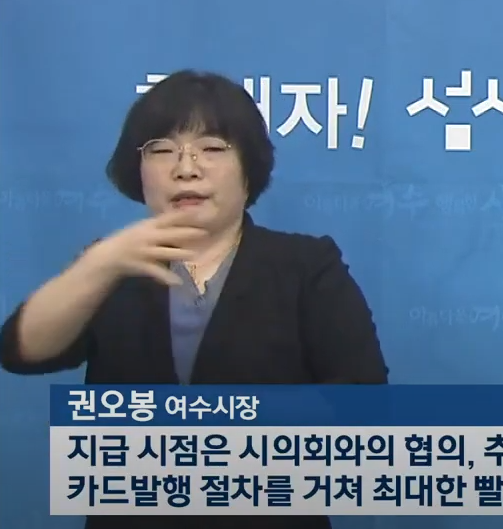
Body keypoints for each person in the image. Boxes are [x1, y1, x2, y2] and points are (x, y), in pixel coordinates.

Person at [0, 70, 389, 529]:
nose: (186, 168)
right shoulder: (110, 266)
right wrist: (98, 267)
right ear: (137, 170)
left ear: (248, 169)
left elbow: (363, 403)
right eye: (162, 150)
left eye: (212, 148)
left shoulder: (305, 265)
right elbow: (21, 352)